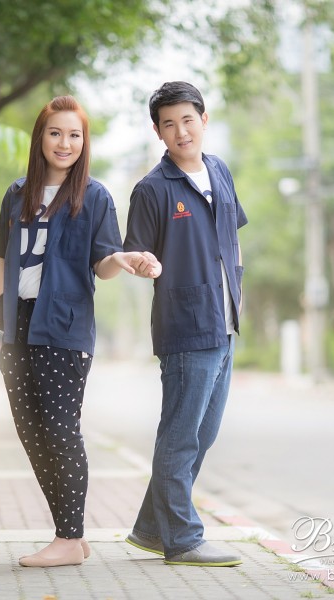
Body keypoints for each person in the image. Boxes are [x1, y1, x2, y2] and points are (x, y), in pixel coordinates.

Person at [0, 95, 160, 568]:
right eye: (55, 133)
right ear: (40, 138)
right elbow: (0, 256)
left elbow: (102, 264)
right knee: (31, 430)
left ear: (84, 142)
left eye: (74, 135)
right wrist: (5, 305)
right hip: (17, 326)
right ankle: (71, 535)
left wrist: (122, 260)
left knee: (61, 430)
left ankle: (69, 537)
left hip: (63, 328)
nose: (65, 143)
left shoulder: (95, 197)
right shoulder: (17, 193)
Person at [123, 81, 248, 567]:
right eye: (169, 124)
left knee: (204, 434)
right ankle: (183, 538)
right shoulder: (153, 189)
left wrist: (237, 288)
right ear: (158, 131)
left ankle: (152, 528)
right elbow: (137, 252)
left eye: (187, 120)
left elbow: (232, 239)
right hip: (185, 327)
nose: (180, 131)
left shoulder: (219, 171)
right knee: (180, 436)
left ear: (204, 119)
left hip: (223, 323)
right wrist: (144, 264)